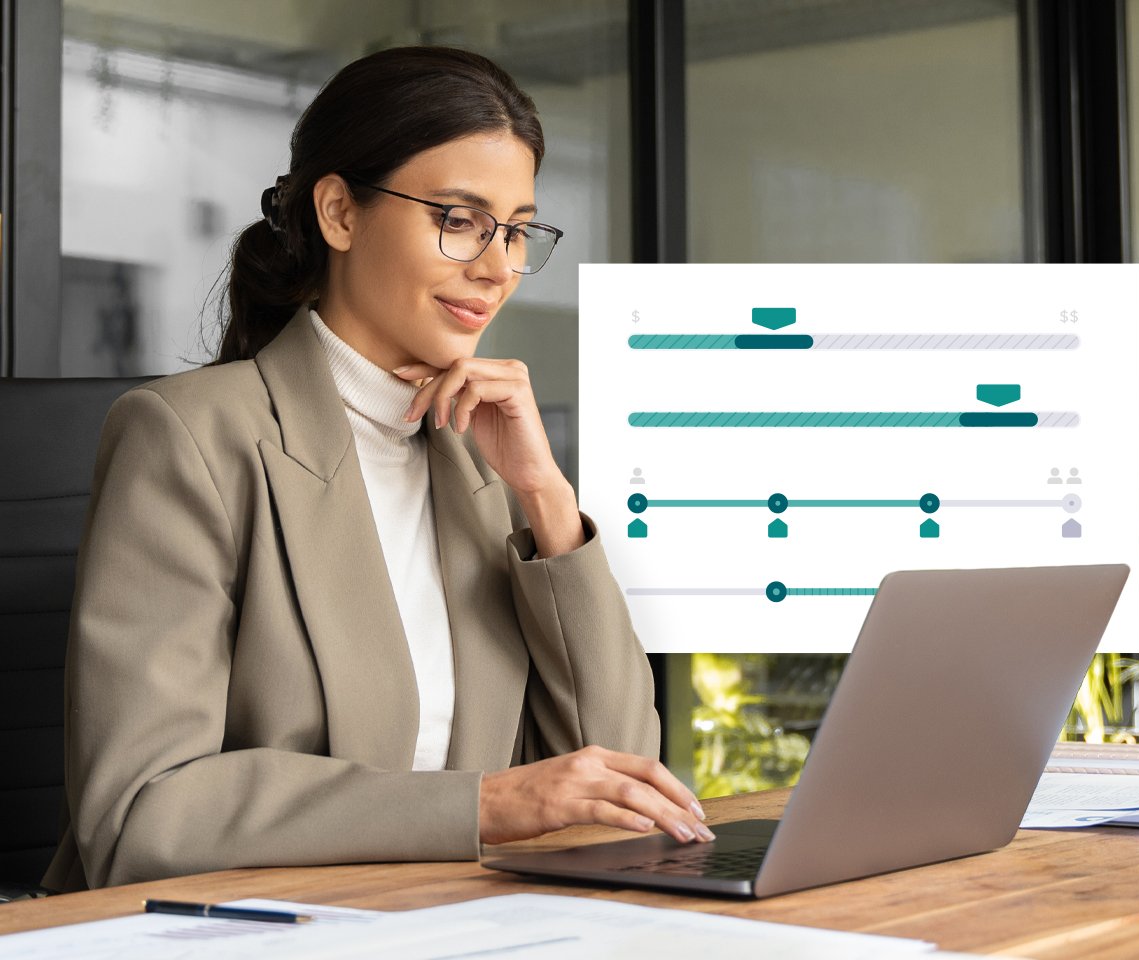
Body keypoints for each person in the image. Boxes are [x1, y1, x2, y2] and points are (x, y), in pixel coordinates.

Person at [43, 46, 711, 893]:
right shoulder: (190, 438)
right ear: (338, 213)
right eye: (460, 219)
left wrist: (548, 500)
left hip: (454, 924)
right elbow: (142, 812)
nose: (498, 267)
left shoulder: (482, 460)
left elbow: (617, 778)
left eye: (516, 231)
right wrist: (481, 807)